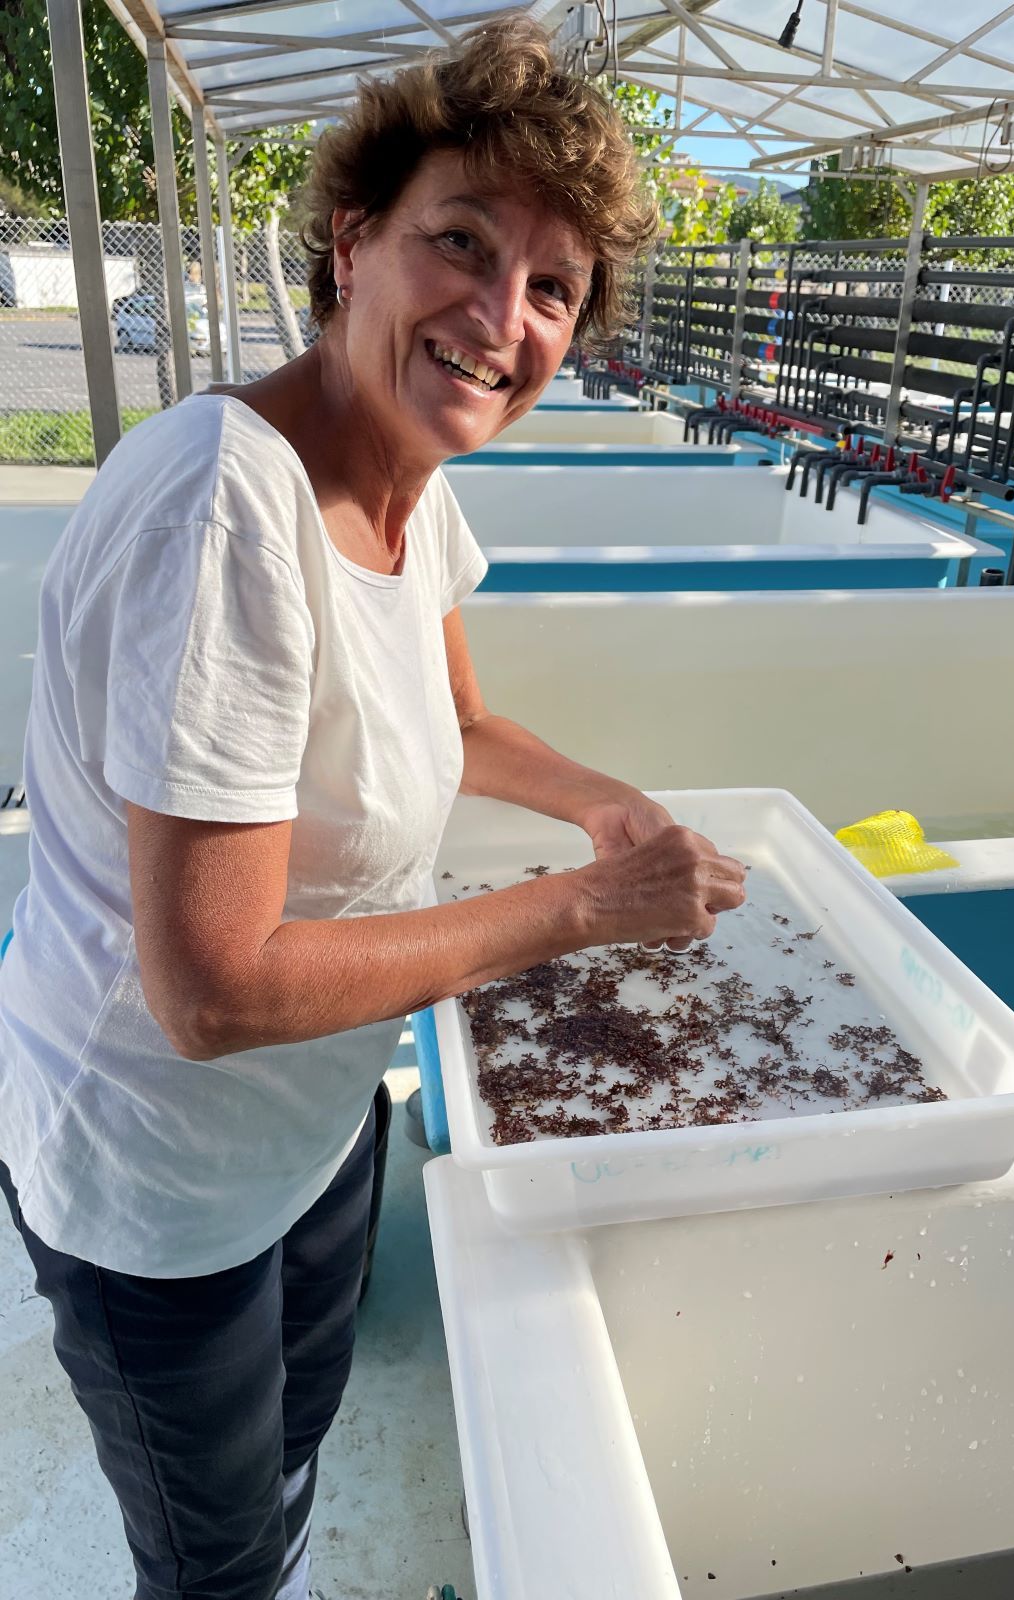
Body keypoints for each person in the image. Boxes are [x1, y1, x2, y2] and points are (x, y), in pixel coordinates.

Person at [0, 18, 746, 1600]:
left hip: (324, 1117)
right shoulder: (233, 507)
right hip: (158, 1173)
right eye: (459, 244)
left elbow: (468, 720)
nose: (501, 317)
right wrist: (577, 908)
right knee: (211, 1558)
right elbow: (209, 990)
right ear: (353, 243)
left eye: (553, 289)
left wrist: (612, 806)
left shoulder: (412, 482)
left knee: (294, 1451)